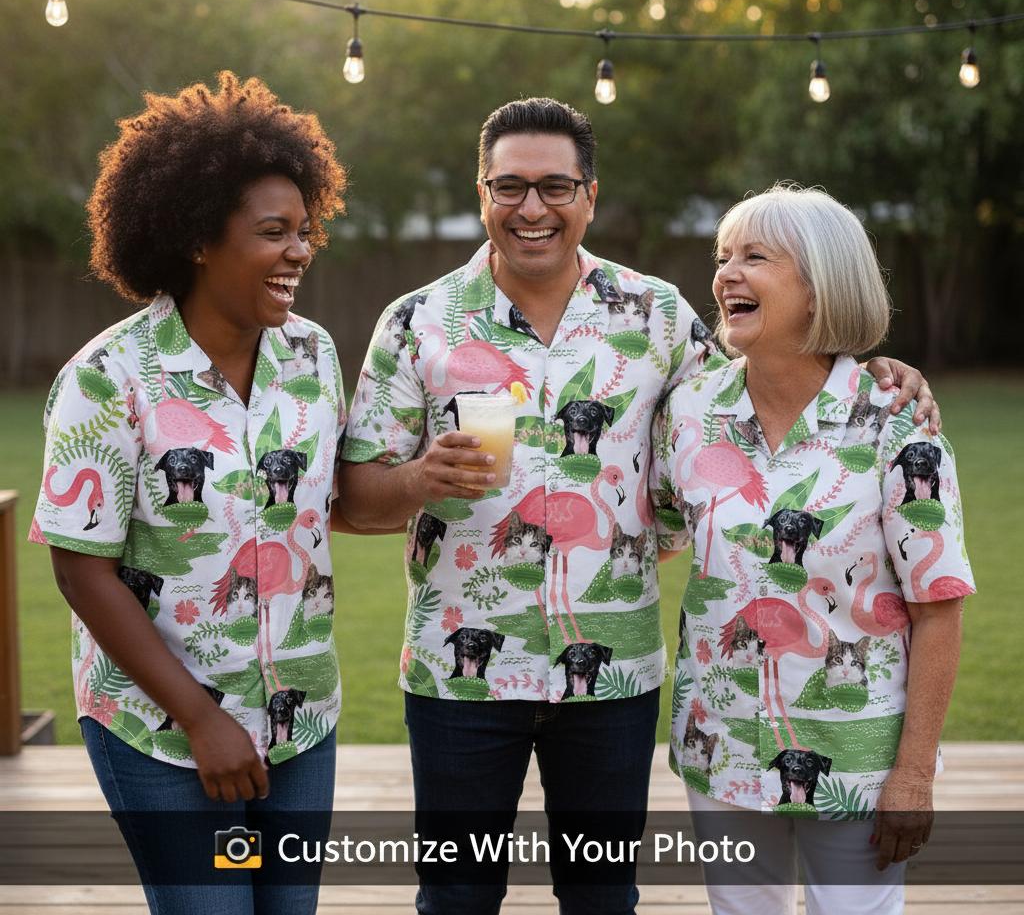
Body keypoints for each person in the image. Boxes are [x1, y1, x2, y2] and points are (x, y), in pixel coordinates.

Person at [337, 98, 937, 915]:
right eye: (510, 187)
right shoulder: (415, 322)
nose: (532, 207)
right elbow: (354, 499)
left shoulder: (656, 315)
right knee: (456, 894)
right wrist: (418, 480)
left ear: (589, 195)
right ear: (483, 194)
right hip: (460, 675)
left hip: (612, 674)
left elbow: (764, 383)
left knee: (602, 896)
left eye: (555, 186)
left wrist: (876, 371)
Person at [30, 72, 348, 915]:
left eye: (305, 231)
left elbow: (332, 501)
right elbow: (81, 570)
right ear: (199, 239)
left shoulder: (314, 356)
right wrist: (202, 719)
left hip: (300, 717)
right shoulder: (107, 379)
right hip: (162, 733)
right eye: (274, 233)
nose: (300, 251)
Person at [651, 184, 975, 915]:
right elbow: (664, 532)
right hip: (723, 744)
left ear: (821, 286)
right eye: (722, 257)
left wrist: (914, 775)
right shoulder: (690, 411)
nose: (727, 274)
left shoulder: (895, 424)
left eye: (755, 257)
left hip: (858, 758)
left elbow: (939, 607)